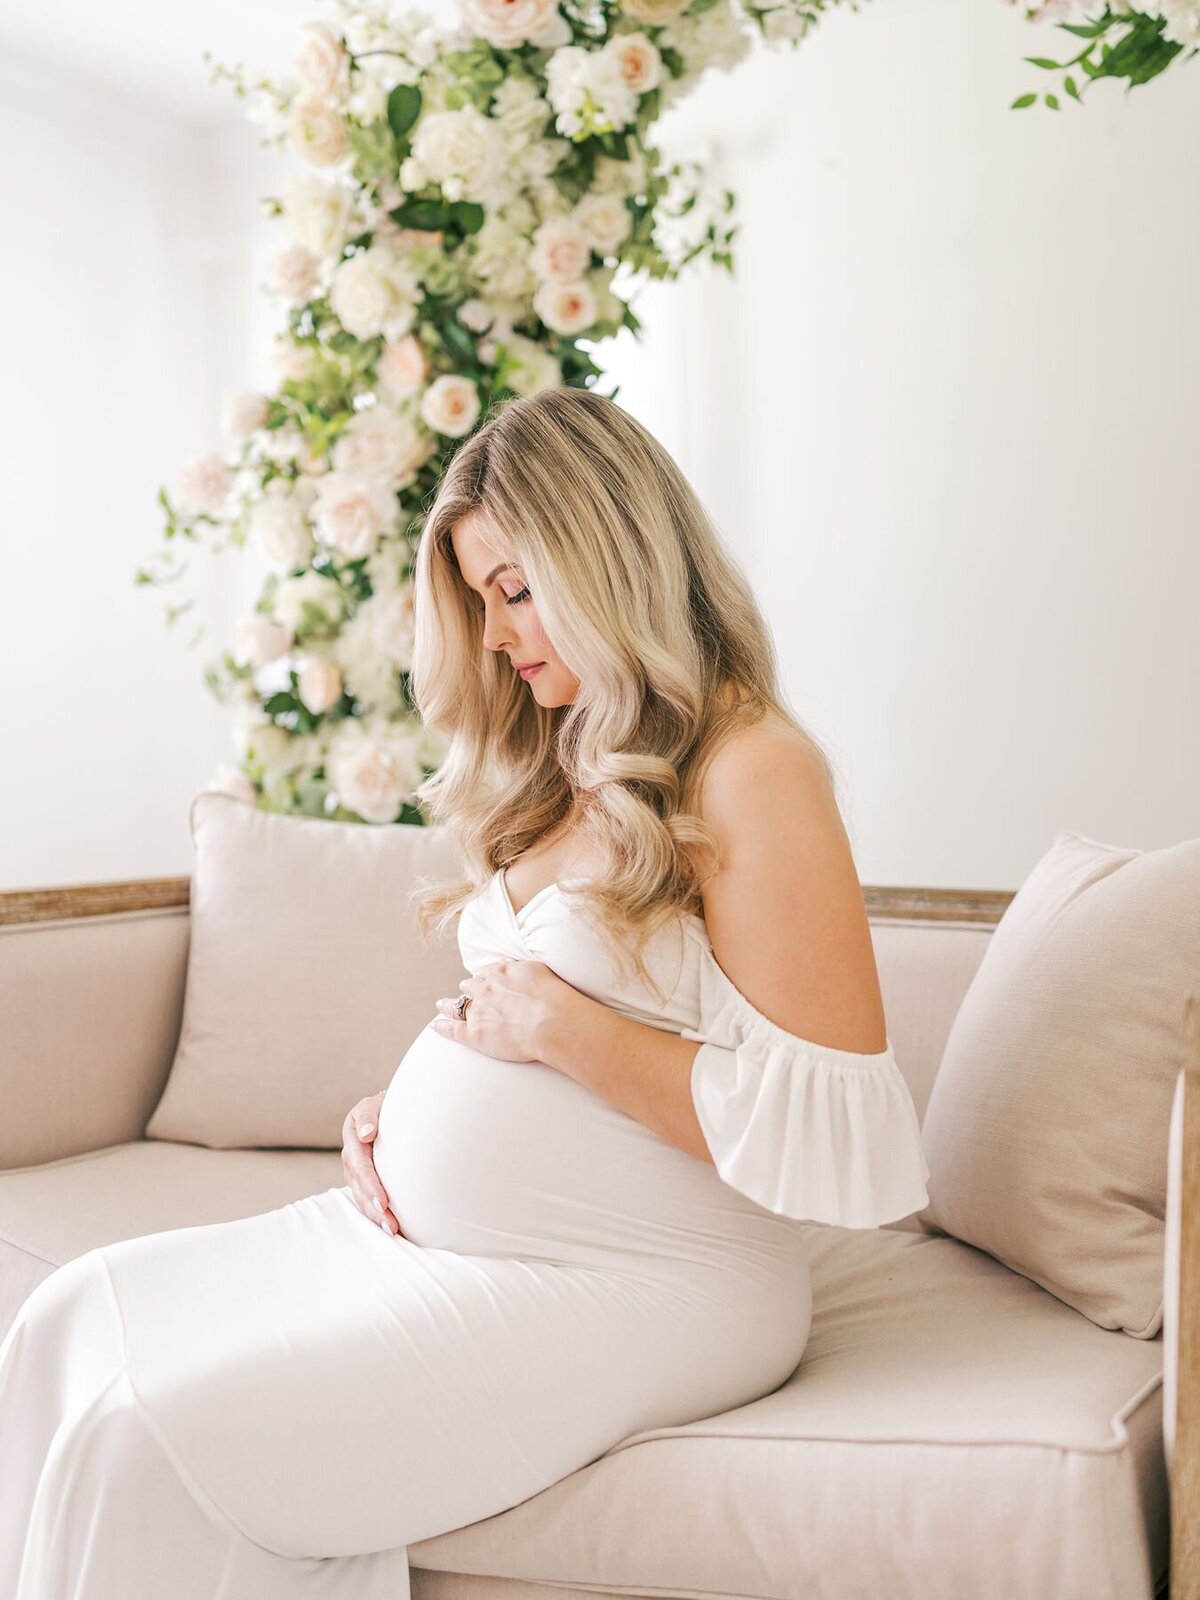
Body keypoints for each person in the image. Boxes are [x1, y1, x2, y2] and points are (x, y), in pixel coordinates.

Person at [0, 386, 930, 1599]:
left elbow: (838, 1137)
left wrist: (560, 1031)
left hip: (656, 1279)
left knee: (147, 1439)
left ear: (611, 561)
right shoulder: (573, 757)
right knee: (68, 1319)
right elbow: (558, 1007)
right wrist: (403, 1103)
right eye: (482, 601)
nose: (496, 638)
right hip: (457, 1243)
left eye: (515, 591)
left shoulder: (754, 767)